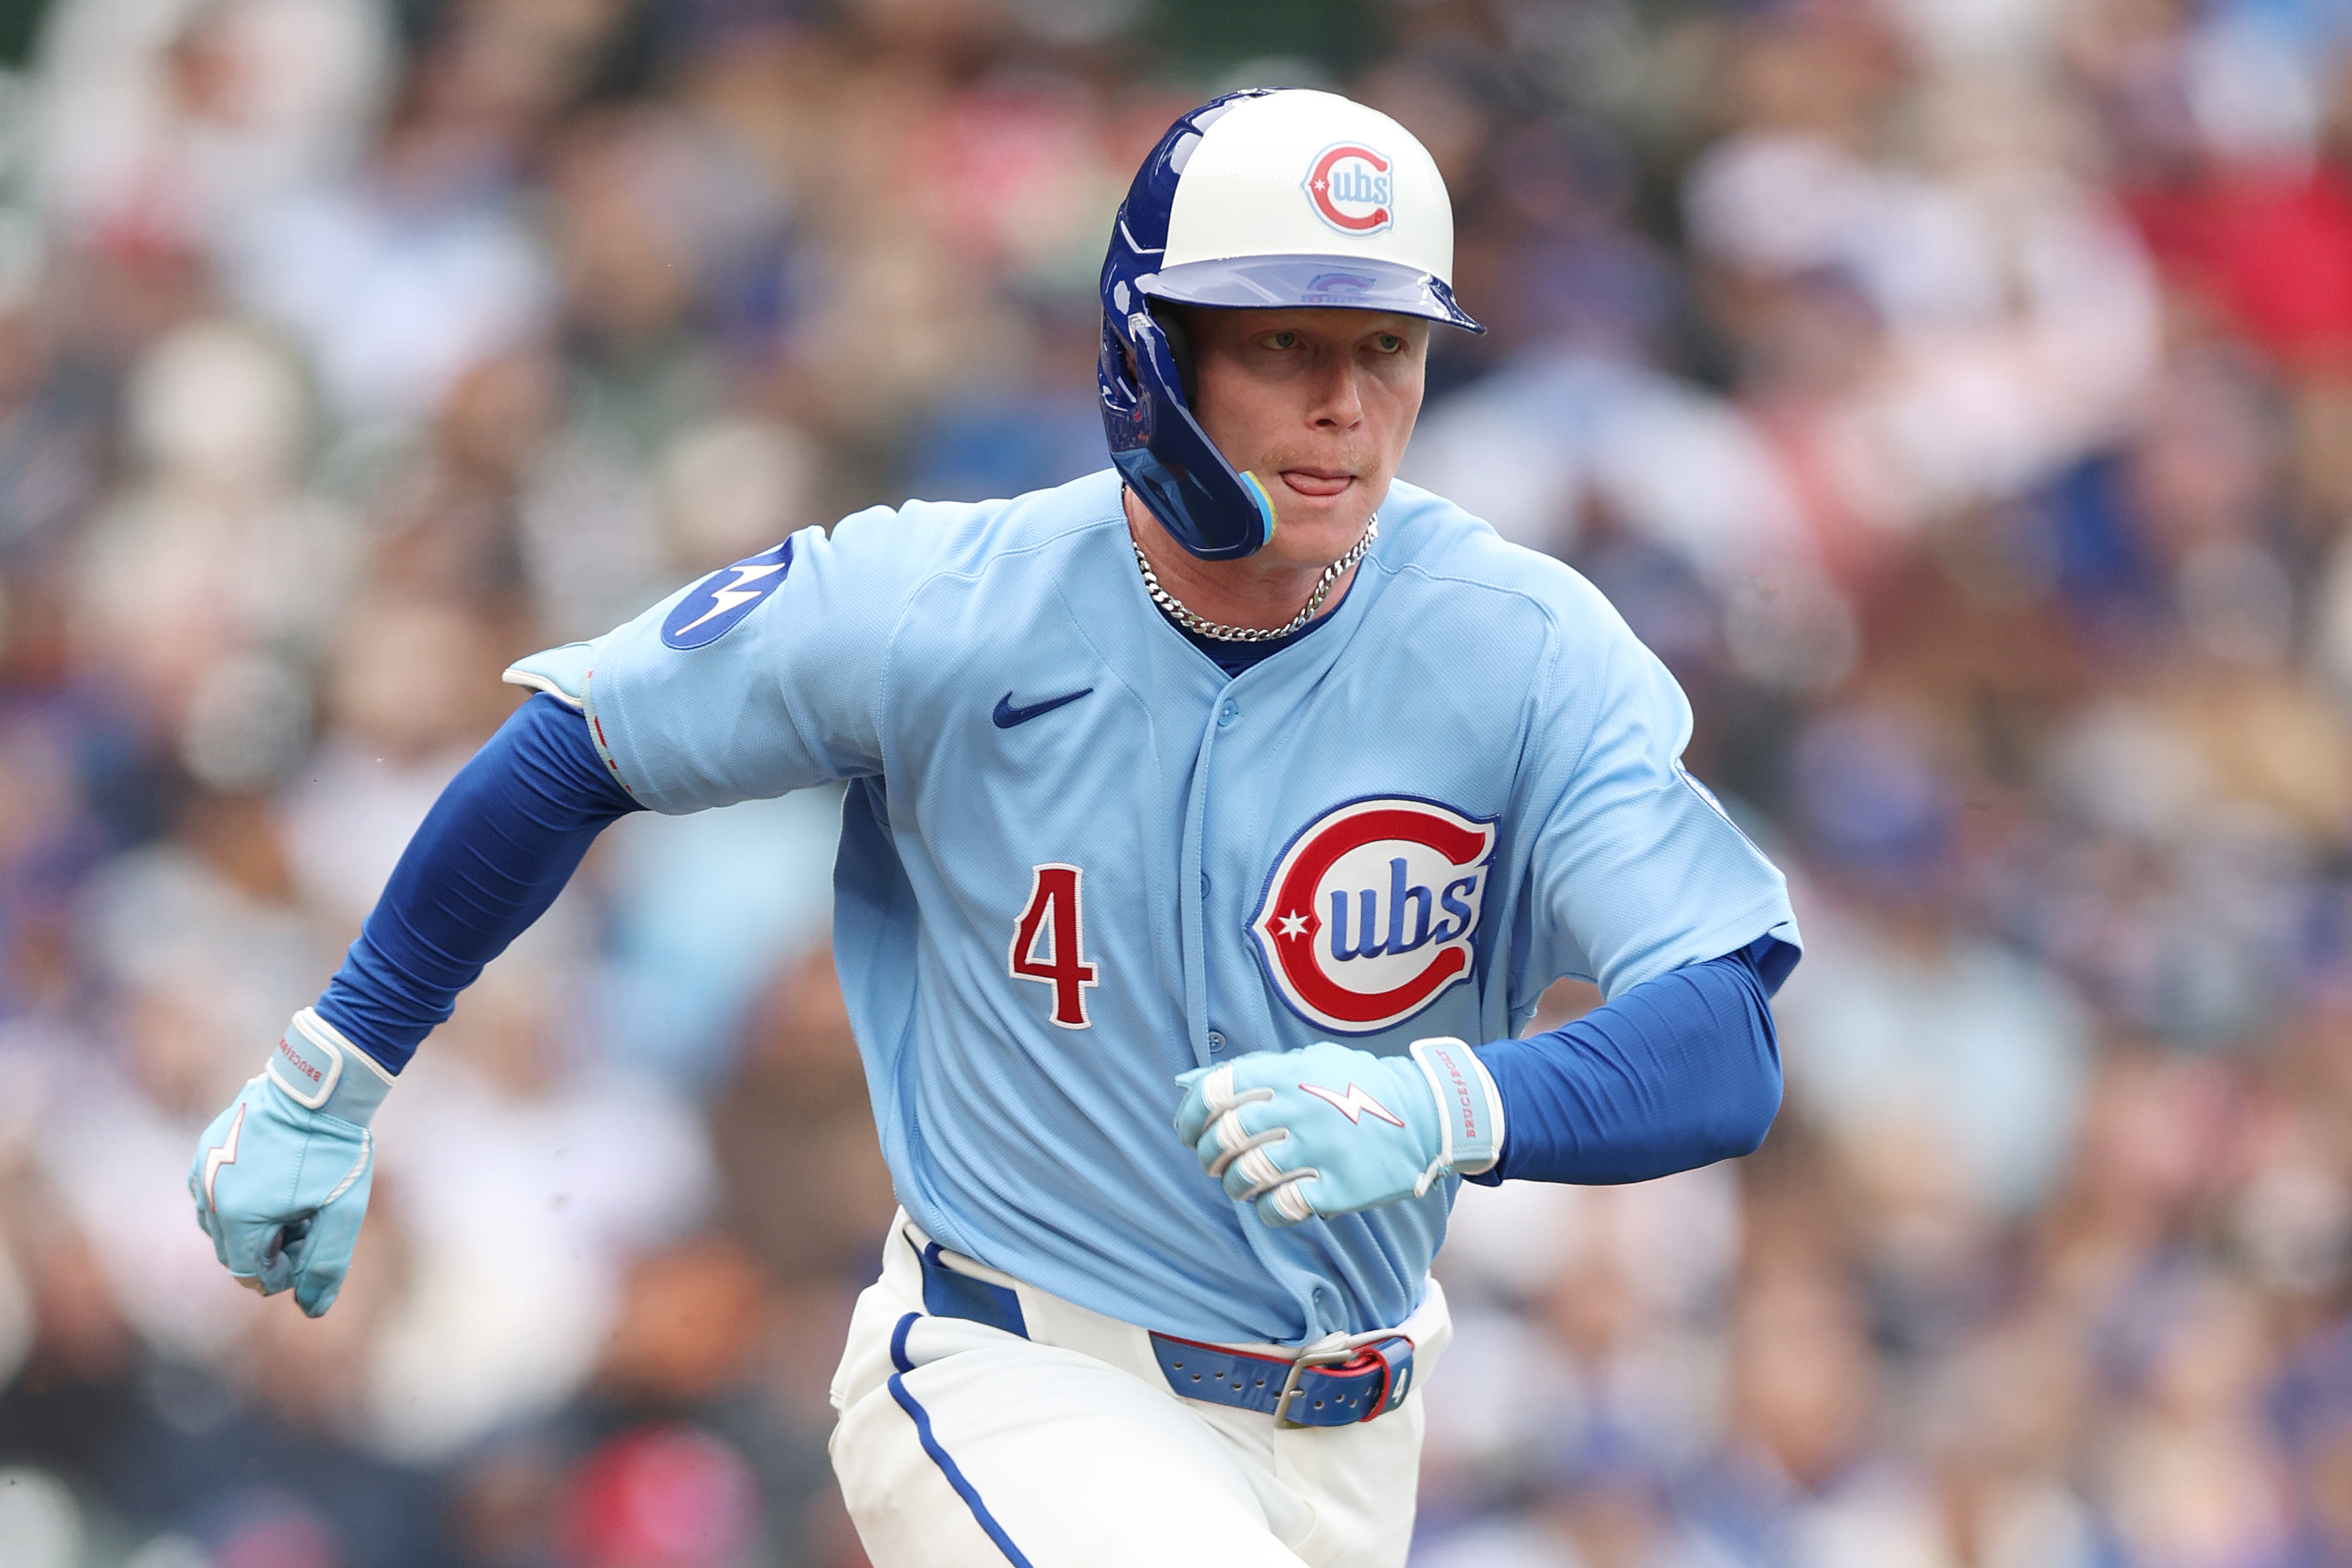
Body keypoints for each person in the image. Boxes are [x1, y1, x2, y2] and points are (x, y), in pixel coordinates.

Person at [188, 89, 1800, 1567]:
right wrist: (335, 1069)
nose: (1345, 404)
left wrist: (1453, 1102)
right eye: (1282, 342)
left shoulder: (1521, 644)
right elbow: (578, 741)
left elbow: (1724, 1031)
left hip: (1357, 1429)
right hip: (1022, 1369)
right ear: (1152, 350)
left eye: (1387, 346)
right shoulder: (947, 602)